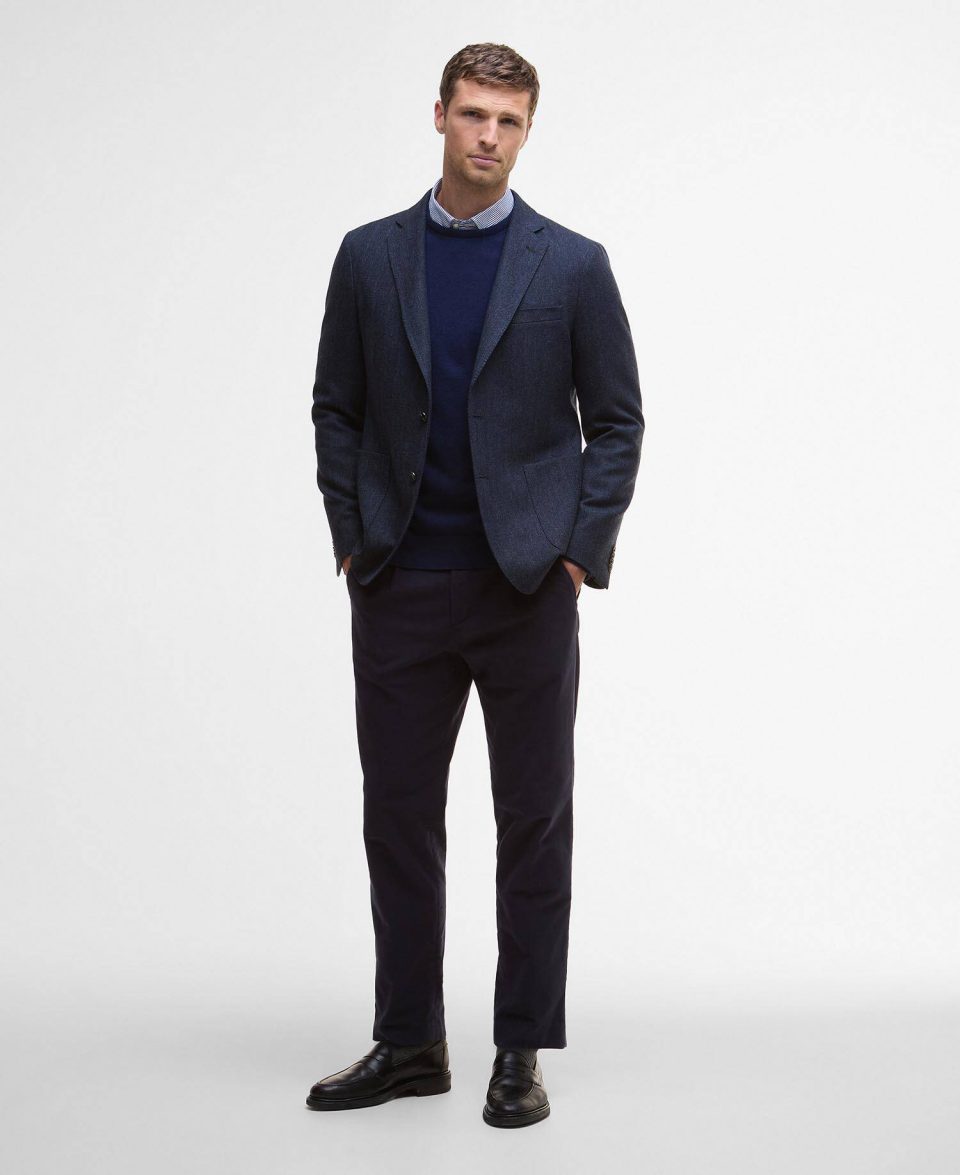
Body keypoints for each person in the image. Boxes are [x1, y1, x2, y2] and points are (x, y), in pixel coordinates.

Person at [306, 41, 644, 1129]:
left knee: (533, 822)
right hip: (400, 582)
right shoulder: (370, 257)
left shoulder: (573, 265)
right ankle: (410, 1039)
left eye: (508, 120)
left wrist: (578, 552)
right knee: (399, 820)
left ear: (527, 131)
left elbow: (618, 421)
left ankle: (518, 1047)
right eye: (472, 115)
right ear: (440, 116)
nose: (488, 136)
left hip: (524, 591)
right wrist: (354, 539)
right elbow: (336, 407)